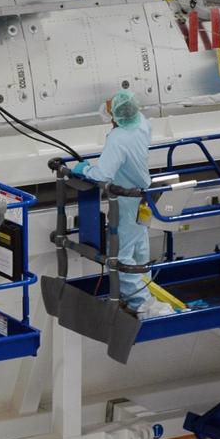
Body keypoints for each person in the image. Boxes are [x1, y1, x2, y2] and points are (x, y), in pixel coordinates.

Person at [73, 89, 170, 318]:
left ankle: (140, 303)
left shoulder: (118, 139)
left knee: (120, 253)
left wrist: (83, 169)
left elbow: (103, 175)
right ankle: (144, 291)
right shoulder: (142, 123)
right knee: (139, 247)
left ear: (116, 115)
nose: (106, 106)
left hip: (126, 199)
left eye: (110, 106)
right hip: (145, 194)